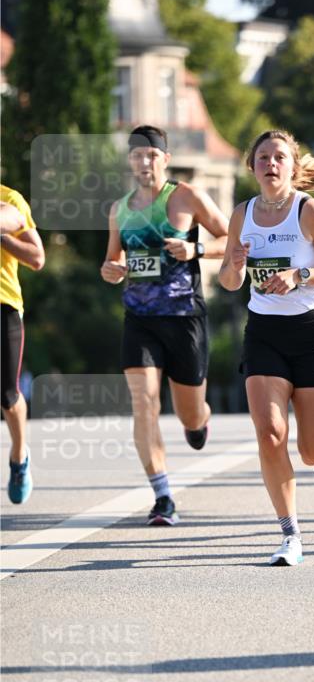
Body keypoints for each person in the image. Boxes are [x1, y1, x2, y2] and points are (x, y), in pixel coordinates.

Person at [219, 129, 314, 567]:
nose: (271, 163)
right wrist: (236, 266)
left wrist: (302, 275)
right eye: (263, 157)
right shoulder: (241, 213)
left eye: (280, 157)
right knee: (270, 433)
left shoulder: (308, 211)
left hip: (313, 332)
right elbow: (228, 280)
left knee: (313, 446)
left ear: (293, 167)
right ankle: (290, 534)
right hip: (264, 331)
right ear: (252, 165)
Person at [101, 125, 229, 525]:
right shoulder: (119, 209)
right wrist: (112, 270)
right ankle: (163, 496)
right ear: (130, 161)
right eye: (137, 156)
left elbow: (234, 238)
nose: (144, 162)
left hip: (184, 317)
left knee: (189, 413)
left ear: (165, 159)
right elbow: (113, 263)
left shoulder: (186, 196)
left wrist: (197, 248)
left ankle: (199, 421)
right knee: (144, 404)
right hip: (139, 319)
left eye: (151, 155)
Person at [1, 185, 45, 504]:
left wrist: (3, 236)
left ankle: (19, 457)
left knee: (7, 394)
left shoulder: (10, 200)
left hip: (4, 305)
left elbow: (37, 258)